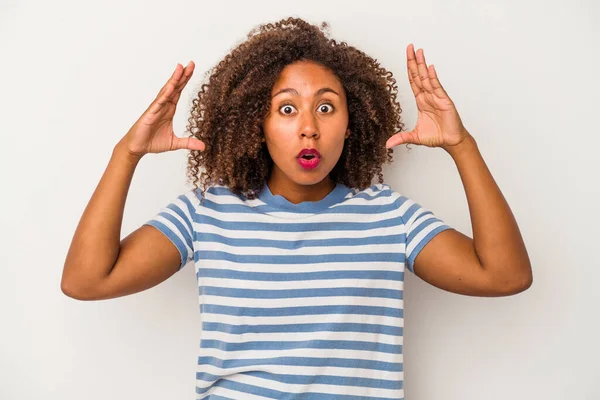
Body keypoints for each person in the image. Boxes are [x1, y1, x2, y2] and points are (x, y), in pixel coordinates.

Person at [62, 17, 532, 400]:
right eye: (287, 109)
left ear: (352, 124)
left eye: (326, 108)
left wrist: (461, 145)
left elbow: (505, 275)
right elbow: (86, 280)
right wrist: (126, 153)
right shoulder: (207, 213)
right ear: (256, 122)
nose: (309, 127)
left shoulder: (389, 216)